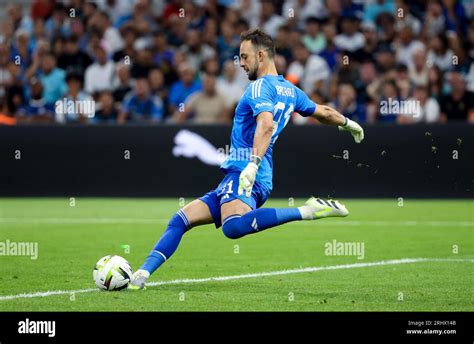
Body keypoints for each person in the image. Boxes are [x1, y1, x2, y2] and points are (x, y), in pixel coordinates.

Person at [128, 28, 364, 289]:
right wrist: (348, 123)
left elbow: (266, 124)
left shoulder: (259, 88)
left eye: (244, 56)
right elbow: (322, 111)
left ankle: (307, 211)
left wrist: (252, 164)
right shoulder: (290, 90)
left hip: (247, 169)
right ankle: (142, 274)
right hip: (247, 172)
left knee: (232, 228)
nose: (240, 63)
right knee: (181, 220)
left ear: (261, 55)